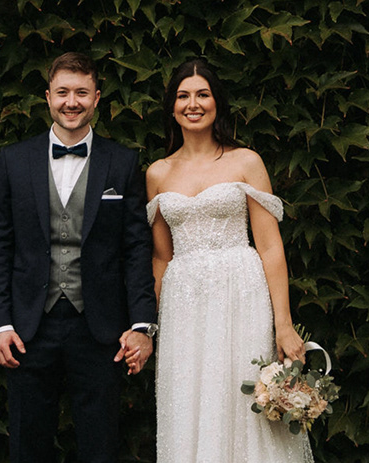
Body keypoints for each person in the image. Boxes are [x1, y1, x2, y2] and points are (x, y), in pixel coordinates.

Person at [0, 51, 159, 463]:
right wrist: (0, 324)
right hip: (28, 328)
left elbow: (136, 248)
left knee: (101, 446)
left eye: (81, 92)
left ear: (96, 97)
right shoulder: (14, 160)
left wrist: (141, 325)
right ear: (48, 97)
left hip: (100, 329)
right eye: (62, 92)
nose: (71, 102)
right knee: (27, 445)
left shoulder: (122, 162)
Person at [145, 58, 313, 462]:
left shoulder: (245, 162)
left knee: (242, 401)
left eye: (203, 94)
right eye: (183, 96)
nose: (193, 104)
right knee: (190, 402)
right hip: (183, 307)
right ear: (172, 107)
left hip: (241, 294)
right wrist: (149, 327)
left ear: (217, 102)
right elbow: (161, 257)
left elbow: (270, 246)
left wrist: (284, 325)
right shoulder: (157, 173)